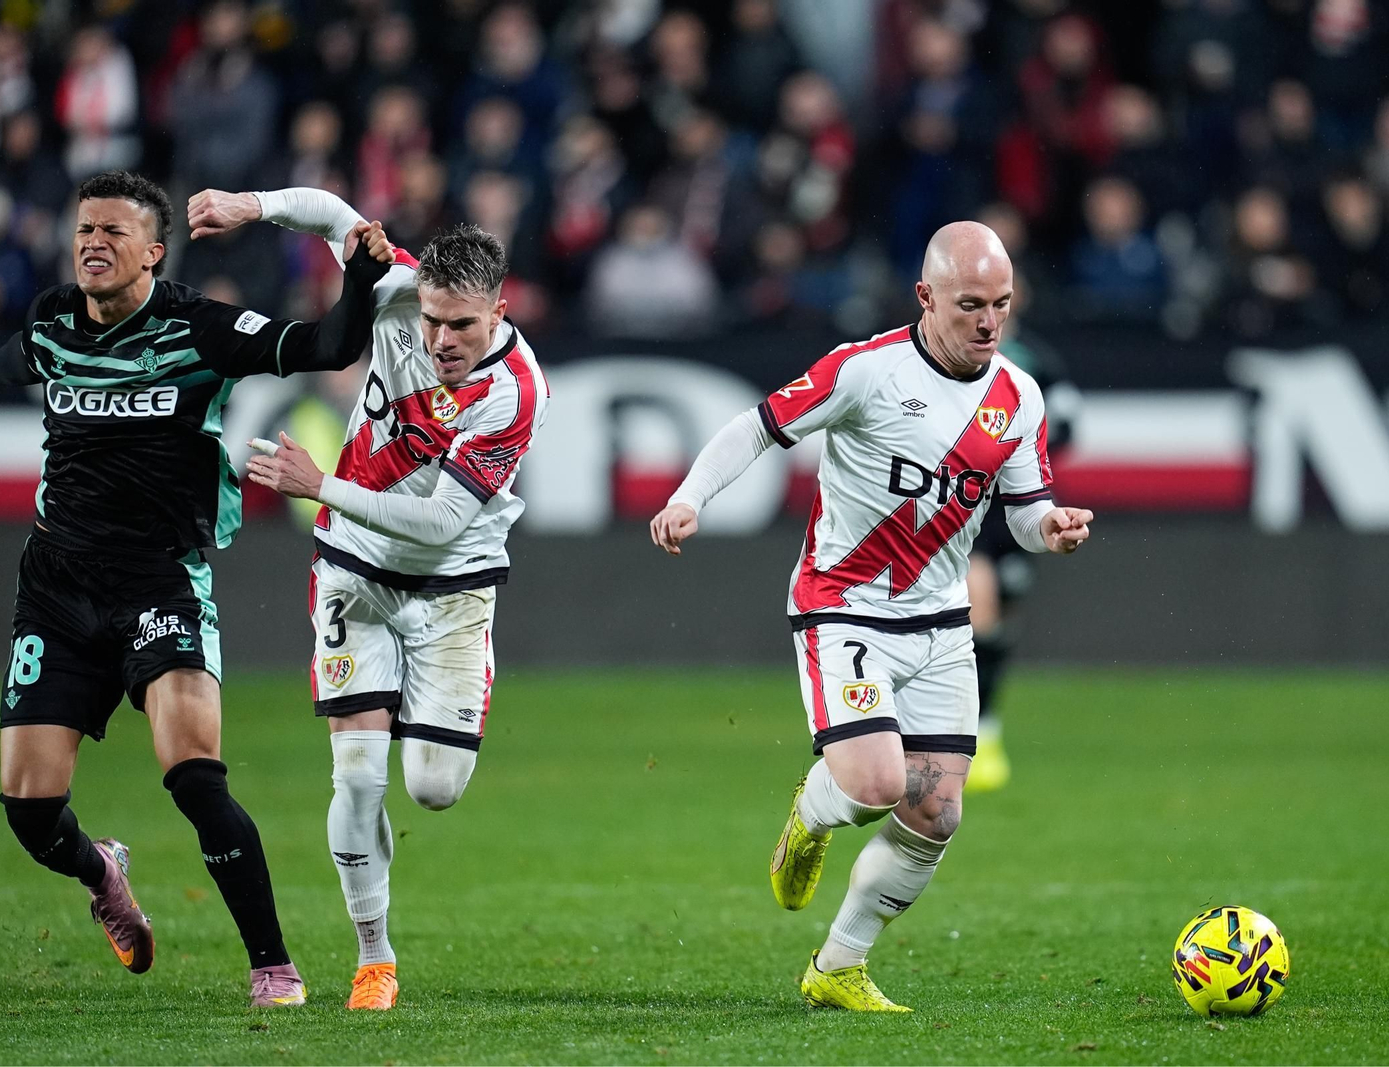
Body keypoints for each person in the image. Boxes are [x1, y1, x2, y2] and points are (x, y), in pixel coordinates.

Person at [0, 170, 392, 1007]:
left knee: (195, 775)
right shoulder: (52, 319)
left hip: (160, 579)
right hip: (56, 585)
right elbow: (15, 360)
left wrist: (361, 281)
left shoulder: (202, 327)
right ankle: (103, 872)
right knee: (29, 812)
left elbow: (325, 346)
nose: (93, 243)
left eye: (114, 232)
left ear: (153, 253)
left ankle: (274, 965)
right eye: (85, 228)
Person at [649, 222, 1092, 1011]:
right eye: (969, 305)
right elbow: (757, 425)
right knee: (881, 782)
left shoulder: (1018, 396)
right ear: (925, 297)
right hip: (843, 605)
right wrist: (689, 498)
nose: (990, 322)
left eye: (1001, 304)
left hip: (941, 622)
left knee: (937, 810)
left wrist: (1048, 527)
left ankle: (838, 965)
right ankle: (812, 814)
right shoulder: (865, 371)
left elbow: (1023, 510)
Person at [187, 188, 549, 1012]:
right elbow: (329, 211)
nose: (439, 340)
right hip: (352, 569)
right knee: (356, 777)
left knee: (432, 786)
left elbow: (437, 522)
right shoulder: (399, 290)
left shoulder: (514, 394)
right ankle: (373, 956)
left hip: (452, 583)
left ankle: (451, 701)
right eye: (430, 321)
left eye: (461, 325)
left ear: (501, 307)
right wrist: (250, 205)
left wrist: (324, 487)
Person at [962, 326, 1079, 795]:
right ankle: (975, 737)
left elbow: (1069, 422)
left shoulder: (1035, 360)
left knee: (1002, 618)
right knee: (978, 604)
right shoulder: (941, 356)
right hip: (967, 500)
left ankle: (984, 727)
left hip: (1020, 498)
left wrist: (1024, 451)